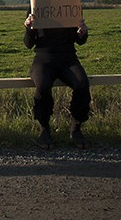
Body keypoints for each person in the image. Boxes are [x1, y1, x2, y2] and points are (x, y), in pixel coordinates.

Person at [24, 10, 91, 149]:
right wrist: (28, 29)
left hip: (68, 59)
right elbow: (29, 44)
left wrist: (82, 32)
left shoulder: (69, 2)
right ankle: (44, 128)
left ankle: (76, 127)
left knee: (82, 84)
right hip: (43, 59)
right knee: (43, 86)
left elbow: (80, 41)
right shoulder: (36, 5)